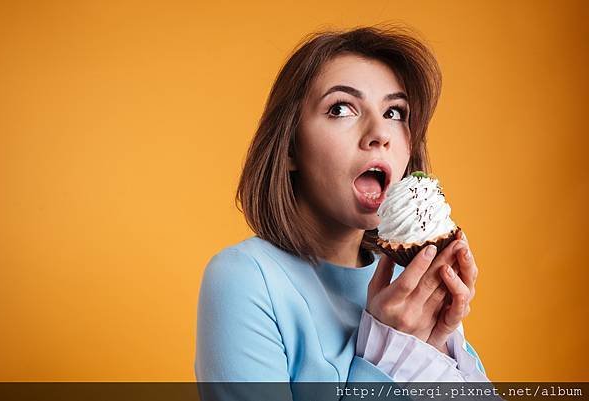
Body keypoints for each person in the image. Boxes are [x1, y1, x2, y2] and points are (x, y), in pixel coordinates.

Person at [195, 25, 490, 396]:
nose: (379, 132)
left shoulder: (408, 283)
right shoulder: (247, 278)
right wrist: (392, 348)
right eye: (341, 108)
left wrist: (438, 342)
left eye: (395, 112)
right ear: (289, 148)